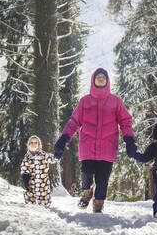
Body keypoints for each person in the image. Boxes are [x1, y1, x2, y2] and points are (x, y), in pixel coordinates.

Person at [54, 68, 137, 213]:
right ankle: (86, 193)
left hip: (107, 147)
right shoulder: (85, 101)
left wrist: (129, 140)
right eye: (97, 76)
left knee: (103, 179)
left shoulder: (115, 101)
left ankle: (98, 204)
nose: (100, 78)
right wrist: (64, 138)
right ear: (93, 80)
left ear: (107, 80)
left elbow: (125, 121)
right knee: (86, 173)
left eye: (103, 76)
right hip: (87, 146)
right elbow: (74, 122)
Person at [20, 135, 58, 206]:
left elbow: (53, 159)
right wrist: (25, 178)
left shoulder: (44, 155)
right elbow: (24, 168)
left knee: (45, 203)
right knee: (29, 202)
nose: (33, 144)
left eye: (35, 142)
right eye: (31, 143)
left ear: (39, 144)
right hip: (31, 183)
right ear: (28, 145)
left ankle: (45, 209)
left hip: (43, 183)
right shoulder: (27, 157)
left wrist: (58, 154)